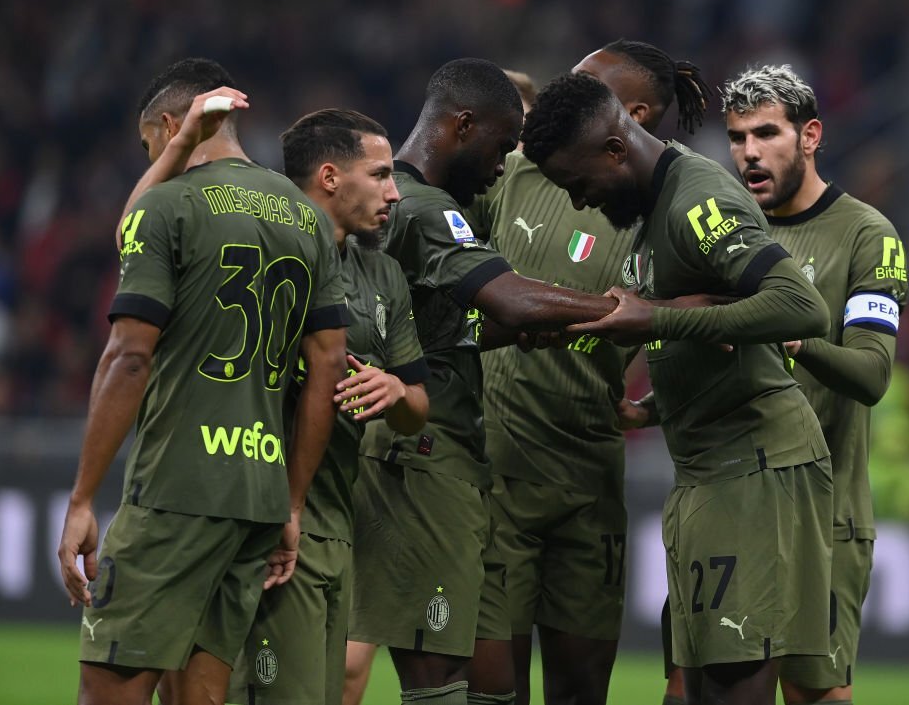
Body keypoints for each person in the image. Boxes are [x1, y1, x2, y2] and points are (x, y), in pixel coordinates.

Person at [520, 72, 834, 705]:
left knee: (729, 686)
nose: (581, 203)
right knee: (688, 688)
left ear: (615, 149)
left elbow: (801, 308)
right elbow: (724, 334)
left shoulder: (697, 201)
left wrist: (657, 317)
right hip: (707, 468)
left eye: (580, 184)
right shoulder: (654, 203)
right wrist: (652, 408)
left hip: (754, 464)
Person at [56, 58, 349, 705]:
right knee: (202, 695)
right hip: (259, 494)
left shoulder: (167, 207)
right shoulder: (307, 220)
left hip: (177, 488)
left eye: (148, 147)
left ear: (168, 126)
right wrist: (294, 503)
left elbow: (130, 357)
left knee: (108, 689)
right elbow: (327, 366)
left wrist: (82, 498)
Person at [348, 58, 637, 705]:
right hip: (423, 458)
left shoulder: (398, 202)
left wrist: (531, 327)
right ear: (463, 124)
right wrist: (624, 310)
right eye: (503, 146)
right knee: (437, 675)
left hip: (448, 459)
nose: (505, 164)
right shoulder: (424, 209)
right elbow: (507, 299)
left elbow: (452, 330)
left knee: (488, 681)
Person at [467, 40, 711, 705]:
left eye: (578, 87)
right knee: (494, 690)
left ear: (626, 117)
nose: (555, 96)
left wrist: (656, 401)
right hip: (497, 474)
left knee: (579, 691)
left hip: (588, 480)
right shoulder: (512, 172)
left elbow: (716, 312)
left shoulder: (668, 204)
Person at [220, 108, 430, 704]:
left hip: (340, 522)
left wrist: (395, 391)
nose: (394, 192)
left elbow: (418, 405)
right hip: (269, 517)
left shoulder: (383, 273)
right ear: (332, 178)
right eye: (381, 175)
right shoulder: (261, 255)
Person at [721, 64, 908, 705]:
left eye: (767, 132)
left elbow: (872, 374)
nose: (749, 152)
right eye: (737, 136)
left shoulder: (867, 235)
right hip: (729, 511)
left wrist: (794, 337)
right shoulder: (728, 233)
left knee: (813, 694)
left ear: (810, 136)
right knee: (700, 687)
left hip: (822, 516)